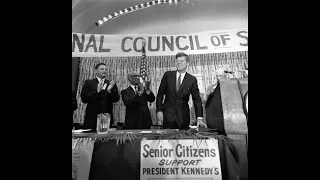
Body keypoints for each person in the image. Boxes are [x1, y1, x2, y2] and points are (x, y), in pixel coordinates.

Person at [156, 52, 207, 129]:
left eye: (182, 61)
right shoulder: (168, 75)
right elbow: (160, 94)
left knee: (183, 139)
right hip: (168, 116)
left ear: (187, 63)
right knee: (167, 139)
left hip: (183, 117)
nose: (179, 63)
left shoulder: (192, 79)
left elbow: (197, 99)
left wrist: (199, 117)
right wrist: (159, 110)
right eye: (177, 61)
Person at [80, 63, 120, 132]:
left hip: (106, 118)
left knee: (105, 141)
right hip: (92, 118)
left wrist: (110, 91)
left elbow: (116, 99)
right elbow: (84, 99)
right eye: (102, 69)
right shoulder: (89, 83)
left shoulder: (111, 83)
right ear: (96, 71)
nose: (104, 71)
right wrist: (97, 91)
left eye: (105, 69)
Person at [204, 67, 227, 135]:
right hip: (215, 118)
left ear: (225, 75)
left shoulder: (230, 87)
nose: (218, 77)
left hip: (226, 116)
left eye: (220, 75)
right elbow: (206, 103)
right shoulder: (211, 88)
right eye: (217, 75)